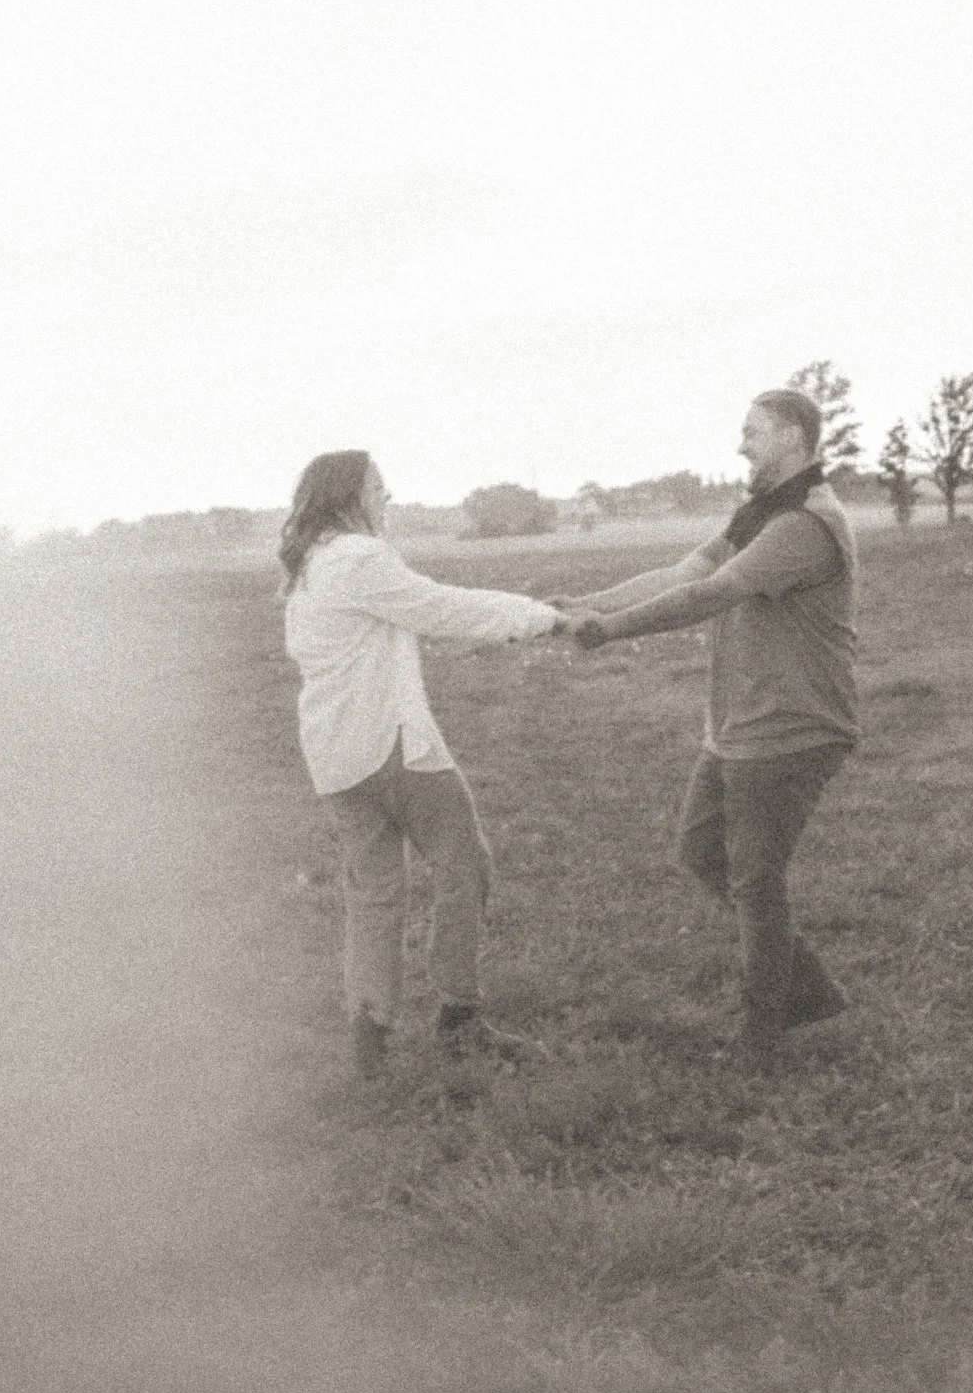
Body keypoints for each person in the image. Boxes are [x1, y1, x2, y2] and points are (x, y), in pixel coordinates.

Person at [557, 389, 857, 1067]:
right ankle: (806, 990)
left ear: (790, 436)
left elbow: (710, 594)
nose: (740, 444)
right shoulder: (760, 514)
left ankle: (762, 1035)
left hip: (791, 726)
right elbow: (685, 569)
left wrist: (609, 631)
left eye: (752, 432)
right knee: (701, 850)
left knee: (754, 879)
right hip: (740, 724)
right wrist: (585, 603)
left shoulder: (805, 525)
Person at [280, 449, 572, 1079]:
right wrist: (537, 617)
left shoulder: (309, 567)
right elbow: (439, 608)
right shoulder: (358, 557)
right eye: (378, 488)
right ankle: (461, 1020)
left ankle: (371, 1042)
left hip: (336, 761)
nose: (387, 497)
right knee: (465, 866)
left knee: (374, 897)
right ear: (349, 496)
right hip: (394, 748)